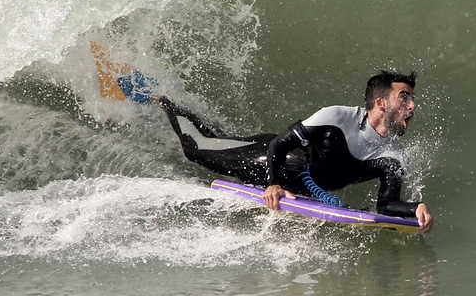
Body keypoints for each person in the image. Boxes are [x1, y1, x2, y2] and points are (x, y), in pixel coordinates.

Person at [158, 71, 432, 232]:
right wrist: (273, 183)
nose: (412, 106)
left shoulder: (393, 156)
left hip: (297, 185)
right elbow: (280, 143)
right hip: (267, 159)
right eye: (404, 97)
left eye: (412, 98)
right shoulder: (337, 117)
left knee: (219, 139)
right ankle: (160, 98)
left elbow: (386, 205)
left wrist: (415, 209)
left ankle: (212, 129)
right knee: (196, 148)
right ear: (381, 103)